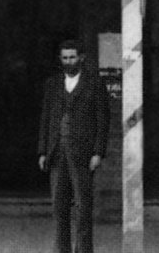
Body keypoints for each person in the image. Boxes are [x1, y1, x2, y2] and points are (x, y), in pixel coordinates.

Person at [37, 39, 110, 253]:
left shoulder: (94, 83)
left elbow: (102, 119)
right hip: (57, 151)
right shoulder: (52, 84)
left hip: (83, 153)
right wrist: (42, 151)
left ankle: (84, 250)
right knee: (59, 207)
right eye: (65, 58)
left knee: (83, 206)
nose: (69, 61)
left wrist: (98, 152)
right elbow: (46, 118)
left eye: (72, 57)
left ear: (81, 58)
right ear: (61, 60)